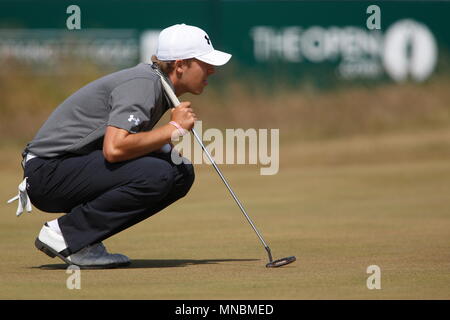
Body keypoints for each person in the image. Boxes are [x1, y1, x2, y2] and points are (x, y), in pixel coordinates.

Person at [11, 24, 231, 268]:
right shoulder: (144, 83)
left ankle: (83, 241)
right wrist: (173, 130)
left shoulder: (157, 84)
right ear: (180, 65)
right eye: (204, 63)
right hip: (48, 173)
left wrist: (162, 145)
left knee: (179, 172)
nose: (212, 70)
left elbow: (121, 143)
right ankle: (66, 234)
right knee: (159, 174)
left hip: (63, 169)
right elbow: (114, 149)